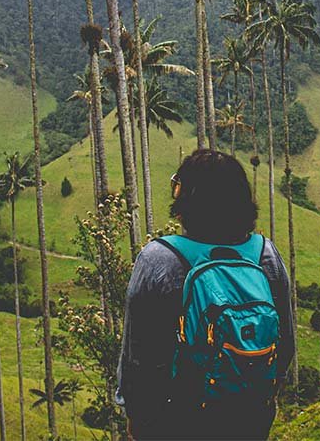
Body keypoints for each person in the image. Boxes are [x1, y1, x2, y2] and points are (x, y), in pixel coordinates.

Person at [116, 149, 295, 440]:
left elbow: (139, 355)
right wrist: (266, 395)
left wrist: (137, 414)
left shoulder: (160, 259)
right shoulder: (265, 255)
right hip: (249, 414)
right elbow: (284, 341)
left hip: (175, 419)